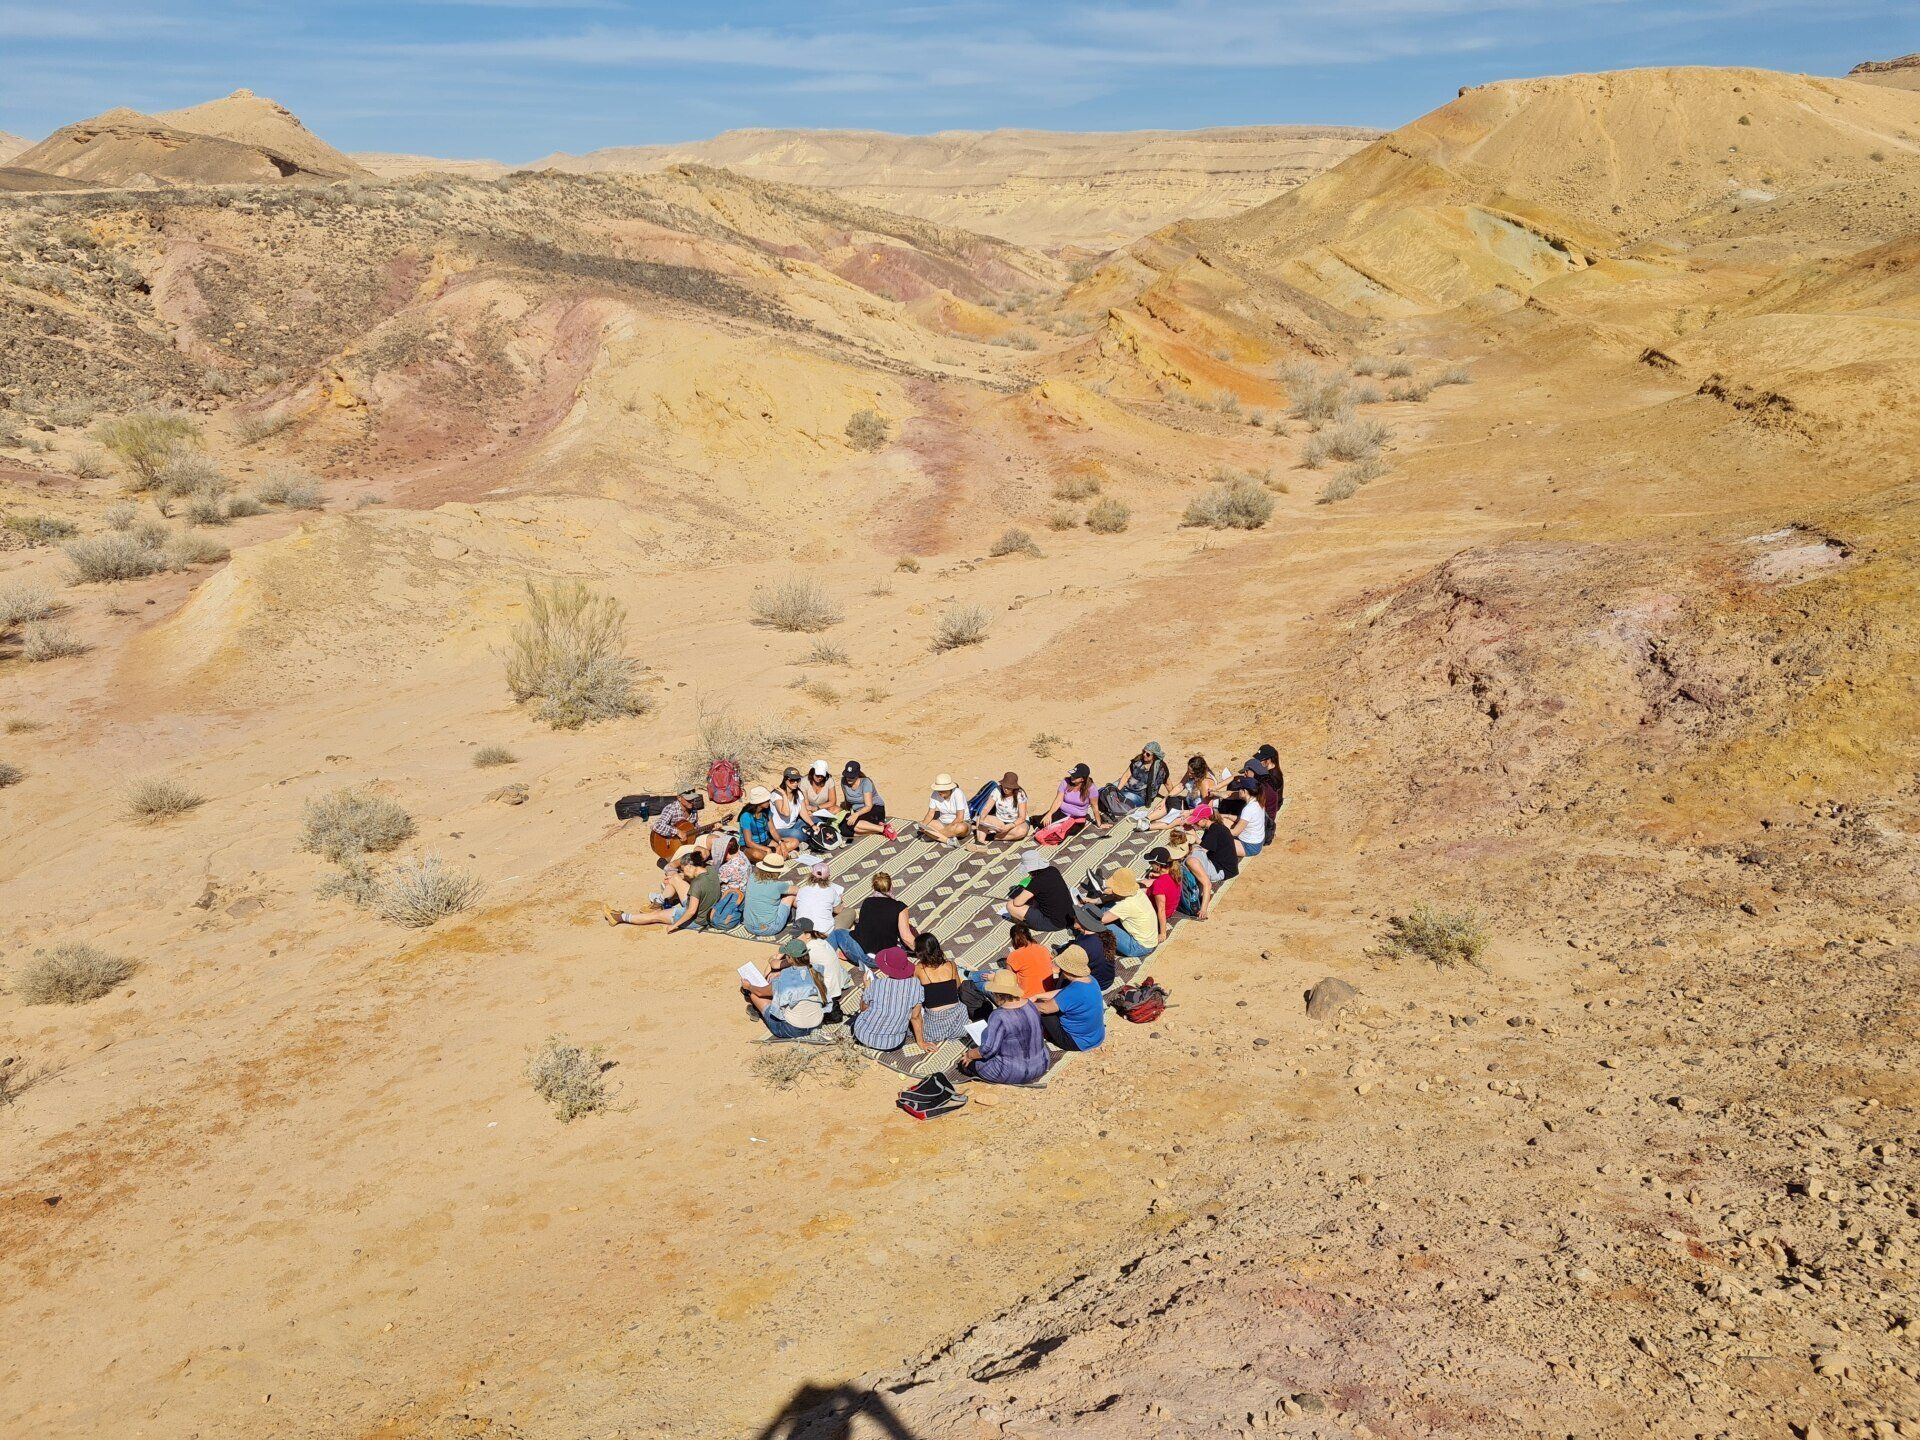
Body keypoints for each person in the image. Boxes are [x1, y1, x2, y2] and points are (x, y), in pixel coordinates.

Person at [958, 970, 1049, 1085]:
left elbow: (988, 1050)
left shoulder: (999, 1016)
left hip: (1014, 1072)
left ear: (996, 993)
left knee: (964, 1064)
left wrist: (969, 1054)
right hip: (1042, 1063)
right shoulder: (1031, 1005)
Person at [604, 852, 718, 932]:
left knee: (655, 916)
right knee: (675, 878)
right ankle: (658, 903)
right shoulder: (710, 870)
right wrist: (681, 876)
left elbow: (691, 911)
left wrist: (675, 925)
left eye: (684, 870)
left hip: (697, 919)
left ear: (690, 866)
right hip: (707, 906)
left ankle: (619, 917)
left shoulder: (697, 885)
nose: (685, 873)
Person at [743, 939, 827, 1039]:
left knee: (754, 994)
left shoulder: (786, 977)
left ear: (789, 958)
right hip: (816, 1025)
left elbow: (760, 992)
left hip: (792, 1030)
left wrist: (748, 986)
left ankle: (757, 1009)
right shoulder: (817, 969)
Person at [830, 870, 915, 968]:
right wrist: (923, 953)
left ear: (874, 887)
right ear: (891, 887)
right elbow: (906, 937)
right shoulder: (900, 907)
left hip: (860, 955)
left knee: (838, 932)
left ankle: (828, 955)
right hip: (883, 960)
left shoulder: (867, 902)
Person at [1033, 945, 1105, 1052]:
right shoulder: (1091, 980)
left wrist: (1026, 1003)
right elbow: (1064, 992)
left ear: (1066, 970)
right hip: (1097, 1035)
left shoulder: (1073, 991)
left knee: (1043, 1011)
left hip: (1076, 1041)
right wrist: (1037, 995)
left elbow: (1045, 1008)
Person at [1076, 868, 1158, 961]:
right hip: (1149, 940)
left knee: (1100, 926)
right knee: (1110, 905)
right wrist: (1094, 901)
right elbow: (1114, 896)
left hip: (1138, 947)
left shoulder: (1126, 905)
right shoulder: (1136, 892)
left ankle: (1084, 938)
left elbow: (1098, 921)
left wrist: (1081, 911)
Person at [851, 944, 922, 1051]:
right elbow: (915, 1017)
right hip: (892, 1044)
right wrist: (921, 1042)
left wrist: (866, 988)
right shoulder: (916, 987)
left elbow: (863, 1009)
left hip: (862, 1037)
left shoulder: (876, 985)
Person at [909, 934, 970, 1048]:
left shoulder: (918, 969)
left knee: (912, 1007)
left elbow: (915, 996)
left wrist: (921, 1042)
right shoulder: (951, 964)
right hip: (958, 1023)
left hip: (934, 1026)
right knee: (961, 973)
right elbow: (957, 986)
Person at [1002, 849, 1075, 935]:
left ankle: (1023, 923)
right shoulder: (1053, 870)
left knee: (1010, 905)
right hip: (1070, 916)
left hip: (1054, 923)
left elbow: (1017, 902)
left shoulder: (1036, 882)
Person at [796, 921, 853, 1020]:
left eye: (796, 936)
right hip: (837, 981)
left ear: (808, 935)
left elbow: (785, 964)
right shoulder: (821, 942)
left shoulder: (808, 951)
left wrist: (776, 958)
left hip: (827, 989)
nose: (794, 939)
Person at [1032, 763, 1104, 835]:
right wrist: (1050, 813)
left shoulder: (1091, 788)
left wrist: (1099, 824)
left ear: (1082, 779)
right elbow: (1058, 800)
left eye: (1075, 776)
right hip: (1061, 812)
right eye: (1072, 774)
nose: (1072, 776)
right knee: (1042, 821)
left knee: (1064, 831)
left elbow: (1094, 806)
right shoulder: (1066, 782)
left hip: (1077, 818)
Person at [741, 854, 796, 938]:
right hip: (768, 928)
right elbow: (798, 890)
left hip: (748, 925)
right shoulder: (778, 885)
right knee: (790, 897)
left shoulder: (752, 877)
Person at [1150, 754, 1215, 824]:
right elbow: (1180, 786)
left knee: (1176, 817)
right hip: (1189, 804)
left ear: (1199, 773)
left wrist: (1190, 812)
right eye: (1188, 771)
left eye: (1191, 773)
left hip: (1197, 810)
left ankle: (1153, 823)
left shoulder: (1205, 783)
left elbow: (1207, 806)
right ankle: (1148, 818)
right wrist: (1165, 799)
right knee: (1170, 799)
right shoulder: (1192, 773)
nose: (1189, 774)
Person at [647, 786, 708, 861]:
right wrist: (677, 832)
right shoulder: (671, 809)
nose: (692, 801)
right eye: (689, 799)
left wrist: (708, 829)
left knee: (712, 842)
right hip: (672, 848)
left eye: (693, 799)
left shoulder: (694, 810)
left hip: (688, 843)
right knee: (701, 854)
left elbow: (695, 828)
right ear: (679, 798)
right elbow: (657, 825)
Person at [1164, 828, 1213, 921]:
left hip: (1194, 893)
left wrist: (1203, 909)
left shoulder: (1191, 862)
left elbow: (1207, 884)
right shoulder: (1196, 848)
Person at [839, 760, 894, 840]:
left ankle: (883, 828)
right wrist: (849, 811)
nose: (848, 778)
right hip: (859, 811)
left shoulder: (865, 782)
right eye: (847, 775)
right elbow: (847, 798)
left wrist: (855, 815)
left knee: (854, 825)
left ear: (857, 774)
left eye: (852, 776)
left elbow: (868, 806)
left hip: (874, 808)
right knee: (844, 830)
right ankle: (879, 830)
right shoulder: (843, 781)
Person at [972, 771, 1030, 844]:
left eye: (1009, 788)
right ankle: (980, 842)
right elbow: (986, 808)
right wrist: (982, 818)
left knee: (1021, 832)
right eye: (1004, 787)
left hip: (1016, 823)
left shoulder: (1020, 794)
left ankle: (993, 837)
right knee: (980, 818)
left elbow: (1022, 817)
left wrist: (1010, 826)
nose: (1006, 789)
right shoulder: (997, 790)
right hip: (1000, 820)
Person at [1053, 926, 1120, 990]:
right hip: (1106, 981)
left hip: (1096, 987)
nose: (1074, 917)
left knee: (1060, 977)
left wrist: (1055, 974)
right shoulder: (1098, 935)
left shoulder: (1082, 946)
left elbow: (1058, 993)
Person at [791, 862, 844, 939]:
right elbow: (838, 910)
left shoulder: (802, 890)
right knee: (849, 912)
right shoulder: (831, 891)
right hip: (823, 933)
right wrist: (840, 901)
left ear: (811, 875)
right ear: (828, 877)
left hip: (801, 933)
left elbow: (797, 904)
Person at [918, 774, 971, 846]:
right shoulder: (934, 794)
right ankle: (948, 840)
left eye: (942, 790)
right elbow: (930, 814)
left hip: (959, 823)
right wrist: (923, 825)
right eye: (938, 790)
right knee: (922, 824)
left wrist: (938, 833)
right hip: (942, 822)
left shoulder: (958, 793)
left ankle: (934, 837)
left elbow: (960, 818)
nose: (940, 792)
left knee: (960, 828)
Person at [1143, 846, 1183, 943]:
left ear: (1158, 865)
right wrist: (1158, 875)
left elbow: (1161, 909)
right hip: (1170, 909)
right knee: (1144, 885)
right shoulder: (1175, 875)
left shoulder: (1159, 883)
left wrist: (1163, 933)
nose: (1150, 865)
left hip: (1157, 913)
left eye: (1151, 863)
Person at [768, 768, 810, 855]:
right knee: (797, 833)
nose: (795, 783)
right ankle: (807, 840)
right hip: (779, 829)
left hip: (792, 825)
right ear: (785, 780)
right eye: (792, 780)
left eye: (797, 780)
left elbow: (803, 812)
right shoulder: (777, 795)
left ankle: (806, 840)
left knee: (816, 820)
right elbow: (786, 813)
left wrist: (812, 825)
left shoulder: (798, 793)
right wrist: (784, 795)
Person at [711, 839, 751, 929]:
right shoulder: (742, 855)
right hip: (744, 891)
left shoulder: (727, 868)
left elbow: (714, 882)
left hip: (730, 896)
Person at [1198, 806, 1242, 886]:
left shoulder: (1215, 829)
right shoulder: (1214, 827)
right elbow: (1204, 844)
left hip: (1223, 870)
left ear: (1205, 819)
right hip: (1225, 867)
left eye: (1197, 820)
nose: (1195, 823)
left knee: (1191, 863)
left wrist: (1193, 835)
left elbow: (1201, 852)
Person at [1222, 782, 1268, 857]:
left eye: (1239, 789)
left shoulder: (1248, 809)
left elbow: (1234, 832)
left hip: (1249, 846)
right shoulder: (1258, 801)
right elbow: (1244, 820)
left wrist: (1216, 830)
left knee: (1218, 842)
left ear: (1245, 791)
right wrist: (1227, 816)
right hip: (1256, 841)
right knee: (1224, 821)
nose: (1238, 791)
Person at [737, 786, 778, 862]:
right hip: (750, 846)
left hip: (765, 841)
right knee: (756, 854)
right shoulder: (746, 816)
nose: (769, 802)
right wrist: (767, 849)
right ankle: (774, 856)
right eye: (767, 800)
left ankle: (771, 857)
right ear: (759, 802)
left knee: (793, 842)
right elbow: (749, 842)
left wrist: (780, 842)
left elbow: (772, 830)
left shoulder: (766, 811)